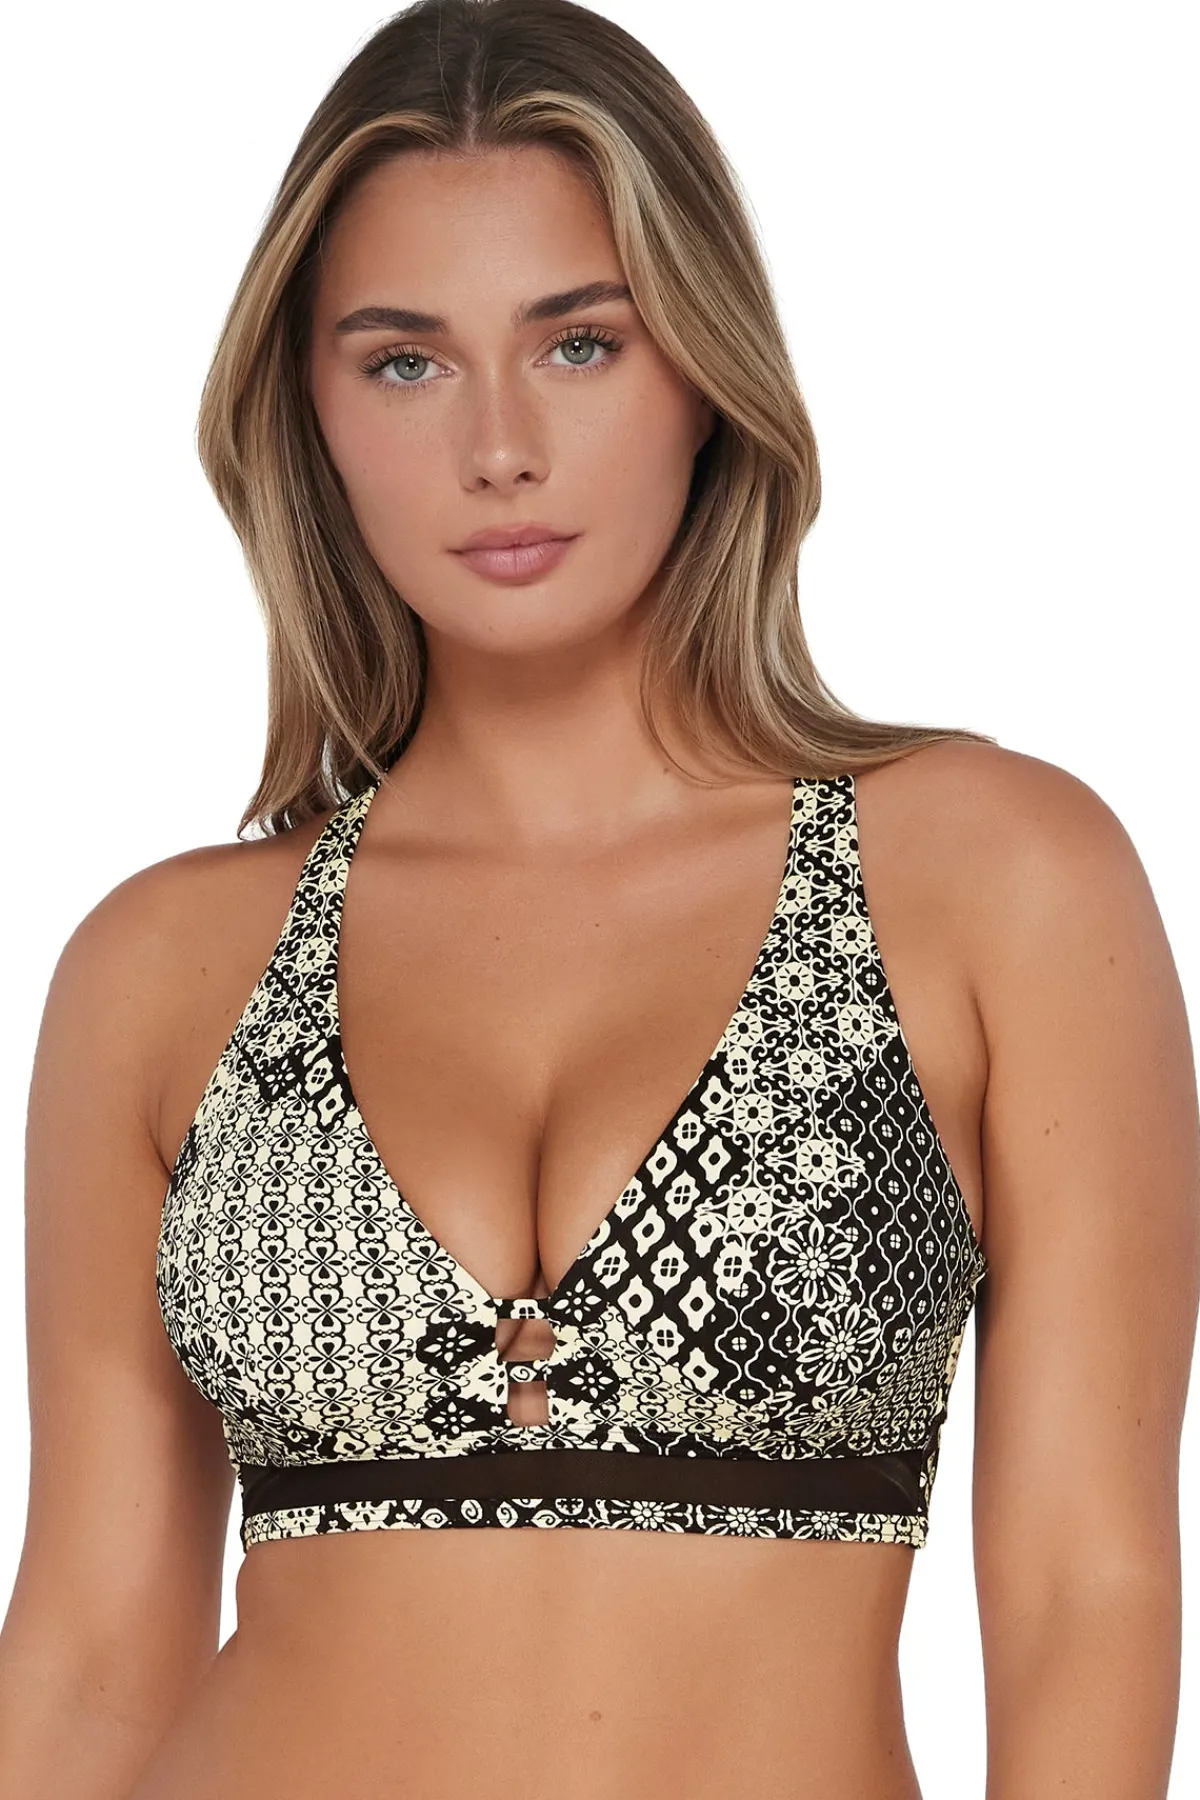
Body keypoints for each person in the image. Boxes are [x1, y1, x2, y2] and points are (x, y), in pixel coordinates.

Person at [1, 1, 1197, 1795]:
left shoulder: (992, 881)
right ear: (309, 409)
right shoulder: (163, 965)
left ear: (702, 368)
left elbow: (1081, 1594)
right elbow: (93, 1651)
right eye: (404, 363)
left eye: (579, 344)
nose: (500, 447)